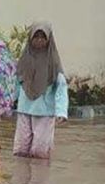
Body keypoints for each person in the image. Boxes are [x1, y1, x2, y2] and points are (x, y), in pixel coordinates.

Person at [13, 23, 68, 159]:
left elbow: (61, 88)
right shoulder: (24, 60)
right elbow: (16, 84)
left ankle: (39, 180)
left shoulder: (53, 63)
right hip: (24, 109)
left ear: (49, 40)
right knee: (21, 150)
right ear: (30, 39)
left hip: (45, 112)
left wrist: (61, 111)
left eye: (43, 37)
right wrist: (9, 103)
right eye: (35, 37)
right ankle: (22, 179)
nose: (39, 40)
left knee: (40, 151)